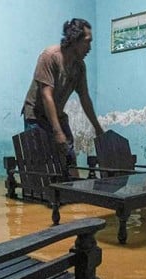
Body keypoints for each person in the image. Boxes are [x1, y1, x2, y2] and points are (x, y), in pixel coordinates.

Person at [21, 18, 104, 176]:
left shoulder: (79, 66)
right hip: (36, 116)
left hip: (57, 115)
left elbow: (85, 98)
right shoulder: (49, 56)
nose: (90, 48)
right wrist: (57, 132)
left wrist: (98, 128)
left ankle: (75, 192)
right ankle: (42, 194)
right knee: (41, 163)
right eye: (87, 42)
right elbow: (47, 96)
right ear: (74, 40)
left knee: (69, 156)